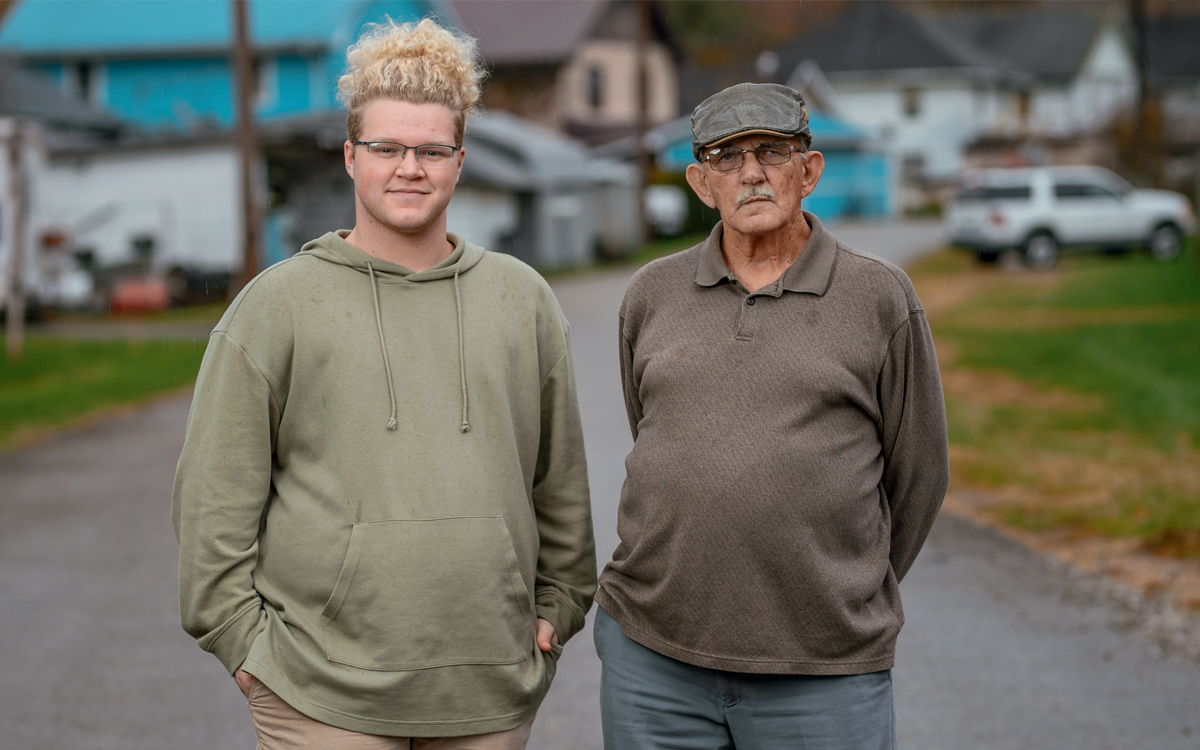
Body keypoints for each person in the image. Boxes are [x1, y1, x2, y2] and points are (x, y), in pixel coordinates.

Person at [173, 18, 596, 750]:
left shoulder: (521, 299)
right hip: (318, 693)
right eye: (388, 148)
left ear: (460, 161)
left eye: (432, 149)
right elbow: (215, 499)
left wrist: (558, 609)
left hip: (488, 689)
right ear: (349, 155)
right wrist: (245, 649)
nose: (411, 167)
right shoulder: (277, 306)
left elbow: (560, 484)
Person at [594, 82, 949, 750]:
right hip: (654, 658)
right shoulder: (651, 294)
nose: (751, 173)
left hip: (822, 669)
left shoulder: (879, 295)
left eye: (771, 152)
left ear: (808, 171)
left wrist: (838, 588)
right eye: (727, 158)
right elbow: (651, 426)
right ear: (701, 183)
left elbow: (920, 473)